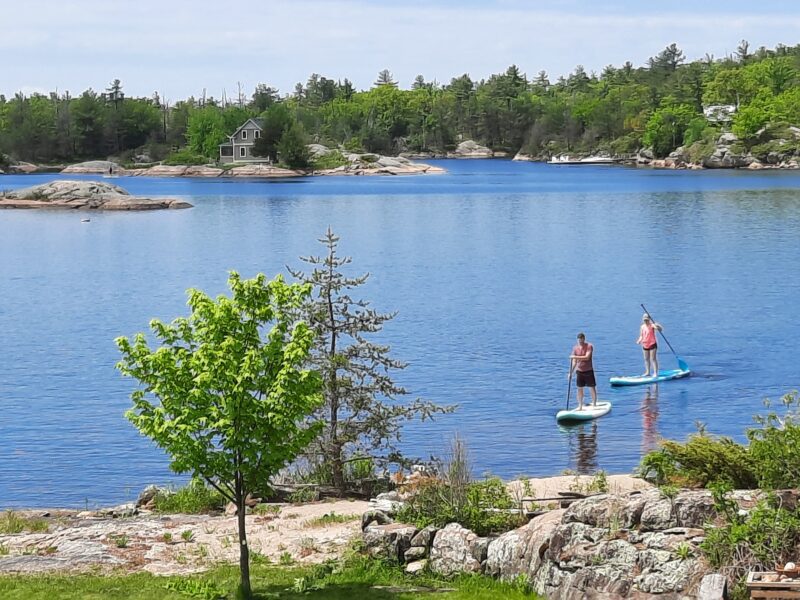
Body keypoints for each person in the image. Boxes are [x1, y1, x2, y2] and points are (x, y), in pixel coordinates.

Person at [569, 332, 597, 410]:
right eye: (579, 340)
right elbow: (574, 361)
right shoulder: (575, 348)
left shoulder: (589, 346)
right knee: (579, 388)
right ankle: (580, 405)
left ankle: (594, 404)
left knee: (592, 387)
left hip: (588, 370)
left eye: (581, 340)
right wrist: (571, 372)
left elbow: (587, 357)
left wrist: (574, 356)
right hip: (579, 371)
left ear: (584, 339)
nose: (580, 341)